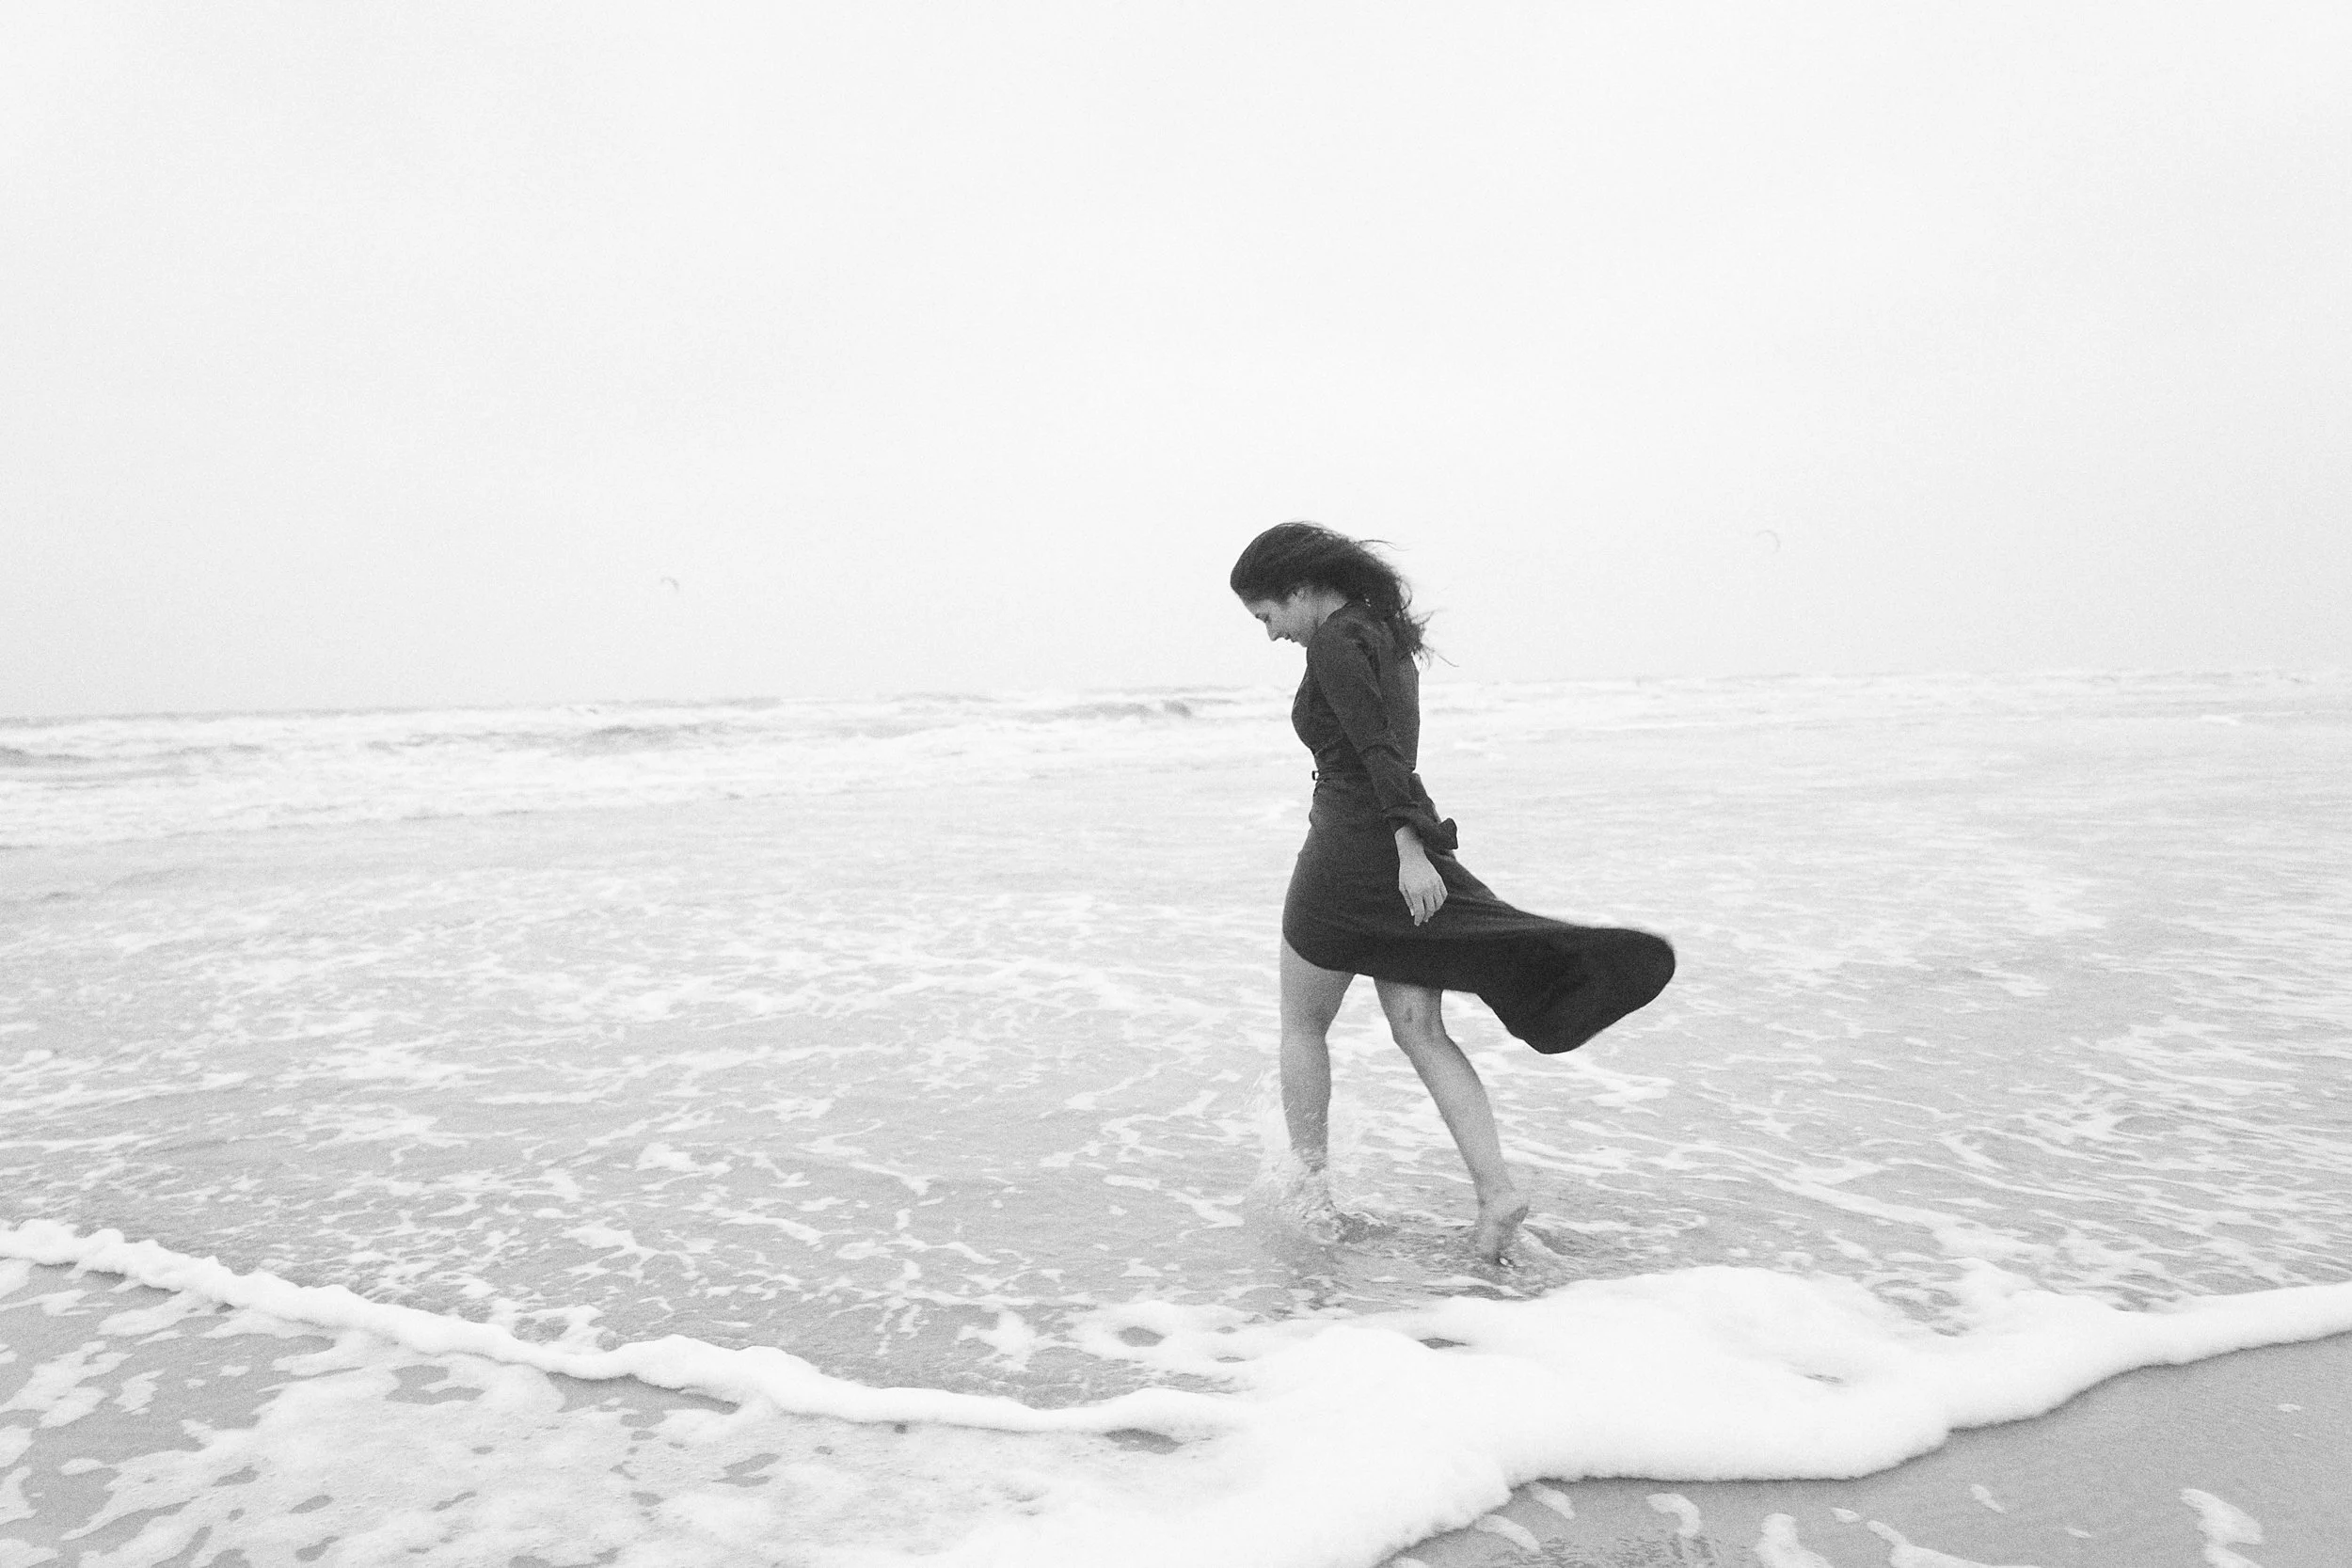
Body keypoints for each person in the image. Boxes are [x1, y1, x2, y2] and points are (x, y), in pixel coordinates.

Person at [1231, 521, 1676, 1264]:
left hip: (1347, 856)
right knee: (1420, 1029)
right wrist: (1415, 844)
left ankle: (1308, 1195)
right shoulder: (1382, 634)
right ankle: (1495, 1191)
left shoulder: (1338, 640)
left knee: (1302, 1023)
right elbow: (1394, 750)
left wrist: (1410, 847)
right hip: (1394, 851)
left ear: (1300, 589)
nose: (1270, 633)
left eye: (1267, 615)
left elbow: (1376, 752)